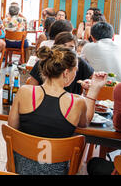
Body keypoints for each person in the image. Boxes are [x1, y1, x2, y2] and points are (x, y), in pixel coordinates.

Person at [8, 45, 107, 175]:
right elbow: (85, 123)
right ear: (66, 72)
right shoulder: (77, 102)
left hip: (20, 168)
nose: (75, 75)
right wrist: (94, 89)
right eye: (75, 71)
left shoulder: (24, 91)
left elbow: (11, 128)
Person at [28, 32, 94, 95]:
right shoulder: (44, 61)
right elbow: (32, 89)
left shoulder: (80, 63)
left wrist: (88, 82)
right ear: (56, 46)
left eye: (71, 47)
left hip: (72, 102)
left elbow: (93, 78)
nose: (67, 49)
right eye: (63, 45)